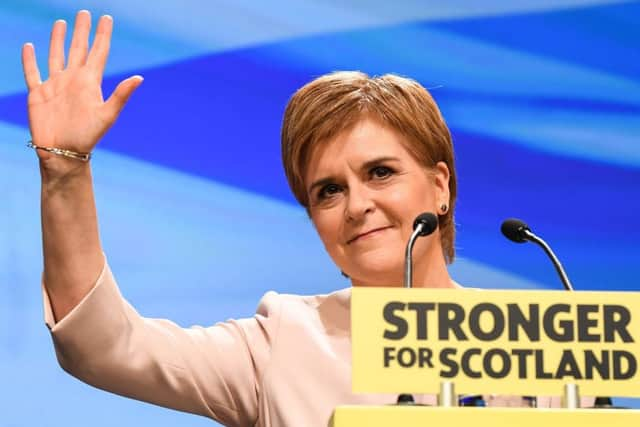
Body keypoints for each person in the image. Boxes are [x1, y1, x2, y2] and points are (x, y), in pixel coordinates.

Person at [23, 10, 593, 427]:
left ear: (440, 186)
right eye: (327, 191)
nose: (357, 205)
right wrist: (65, 173)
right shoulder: (284, 344)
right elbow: (102, 346)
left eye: (380, 172)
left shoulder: (543, 340)